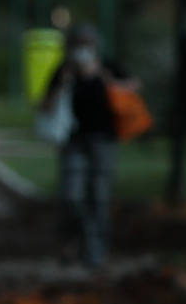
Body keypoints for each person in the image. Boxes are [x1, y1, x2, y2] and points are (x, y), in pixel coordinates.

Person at [39, 23, 134, 268]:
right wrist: (65, 83)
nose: (83, 49)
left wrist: (104, 77)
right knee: (72, 196)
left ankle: (96, 252)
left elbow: (132, 88)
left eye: (87, 44)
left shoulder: (107, 66)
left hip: (104, 141)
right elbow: (45, 105)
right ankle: (70, 245)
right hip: (74, 142)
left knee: (99, 197)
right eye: (79, 44)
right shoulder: (63, 71)